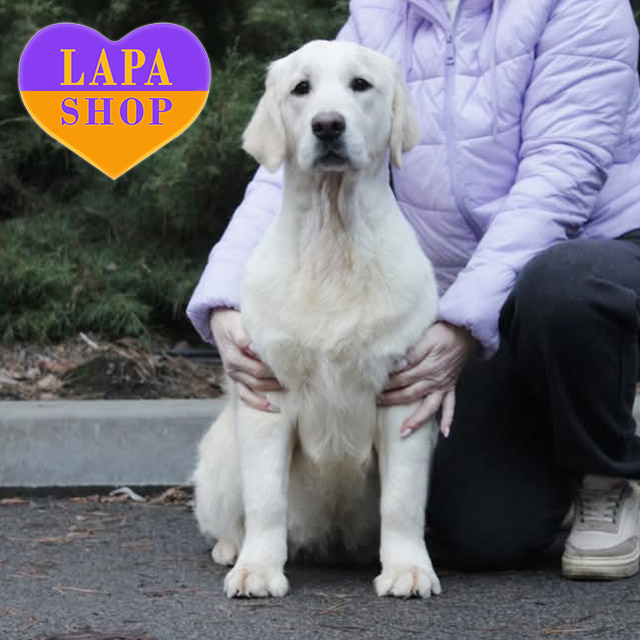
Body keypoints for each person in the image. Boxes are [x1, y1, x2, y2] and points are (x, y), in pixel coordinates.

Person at [187, 0, 640, 579]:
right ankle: (549, 455)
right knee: (479, 535)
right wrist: (224, 300)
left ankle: (605, 472)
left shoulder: (585, 7)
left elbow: (561, 177)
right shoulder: (382, 15)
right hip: (470, 292)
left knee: (564, 290)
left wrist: (460, 323)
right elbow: (290, 168)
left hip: (589, 257)